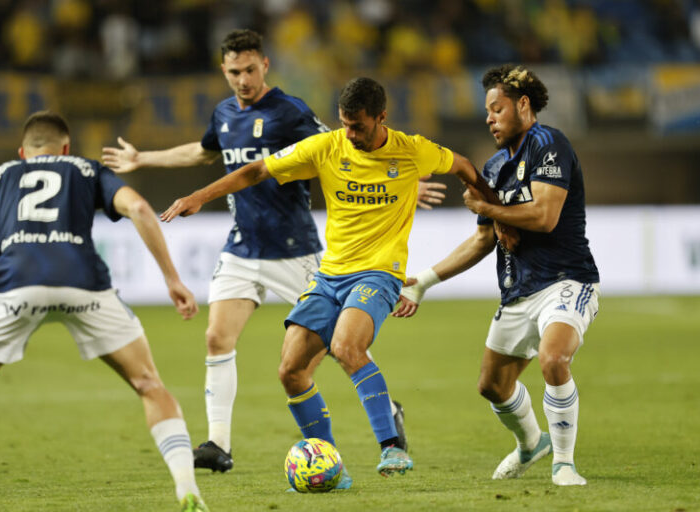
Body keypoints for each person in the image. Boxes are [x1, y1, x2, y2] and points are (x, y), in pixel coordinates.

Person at [102, 29, 441, 474]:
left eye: (248, 70)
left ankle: (387, 412)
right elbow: (204, 152)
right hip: (242, 247)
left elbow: (344, 149)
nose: (241, 80)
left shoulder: (291, 111)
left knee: (341, 347)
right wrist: (143, 158)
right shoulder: (223, 113)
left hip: (294, 250)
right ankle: (218, 445)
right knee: (216, 337)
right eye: (232, 72)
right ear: (223, 71)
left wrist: (400, 182)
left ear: (264, 65)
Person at [160, 77, 485, 482]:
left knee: (348, 346)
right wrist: (198, 197)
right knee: (291, 371)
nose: (350, 134)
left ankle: (393, 448)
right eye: (344, 124)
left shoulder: (412, 150)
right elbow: (258, 169)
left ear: (381, 118)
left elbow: (464, 166)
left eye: (358, 126)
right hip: (329, 274)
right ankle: (332, 465)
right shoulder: (327, 146)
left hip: (379, 272)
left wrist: (487, 203)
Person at [0, 111, 209, 512]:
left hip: (15, 287)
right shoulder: (86, 169)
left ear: (22, 152)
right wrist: (172, 278)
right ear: (66, 148)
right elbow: (139, 209)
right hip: (84, 284)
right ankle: (188, 489)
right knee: (149, 385)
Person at [394, 64, 600, 486]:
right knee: (491, 385)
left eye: (497, 108)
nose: (489, 118)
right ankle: (531, 444)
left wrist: (487, 208)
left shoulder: (549, 144)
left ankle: (564, 463)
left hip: (566, 280)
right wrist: (425, 282)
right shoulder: (493, 169)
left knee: (554, 358)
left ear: (523, 105)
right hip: (517, 291)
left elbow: (544, 216)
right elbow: (482, 241)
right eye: (487, 110)